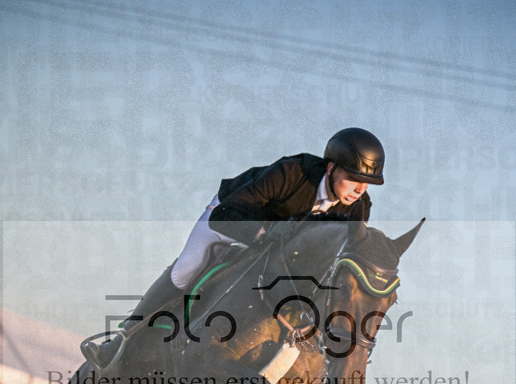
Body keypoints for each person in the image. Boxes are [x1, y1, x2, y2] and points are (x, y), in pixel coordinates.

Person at [83, 127, 386, 370]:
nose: (360, 189)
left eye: (367, 183)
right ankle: (121, 339)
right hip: (234, 218)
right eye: (353, 179)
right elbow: (224, 216)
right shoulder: (292, 173)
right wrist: (263, 230)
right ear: (331, 169)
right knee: (187, 268)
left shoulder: (358, 208)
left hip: (282, 253)